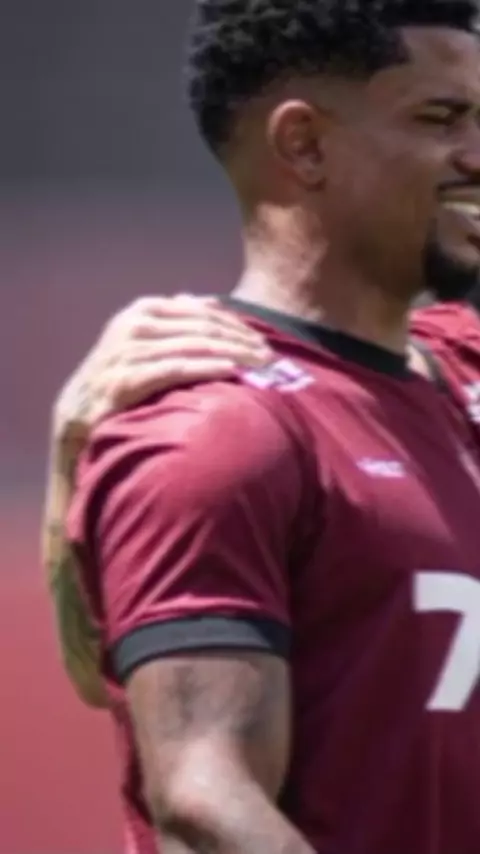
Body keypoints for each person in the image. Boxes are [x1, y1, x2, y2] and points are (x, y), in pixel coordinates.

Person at [49, 2, 480, 853]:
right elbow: (206, 807)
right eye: (442, 118)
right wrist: (75, 464)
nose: (476, 152)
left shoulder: (460, 366)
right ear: (304, 144)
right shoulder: (221, 428)